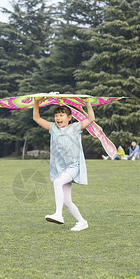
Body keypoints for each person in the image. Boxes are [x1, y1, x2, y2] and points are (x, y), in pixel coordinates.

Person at [33, 97, 94, 231]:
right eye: (56, 116)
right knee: (67, 201)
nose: (58, 118)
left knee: (57, 183)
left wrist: (88, 104)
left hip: (74, 166)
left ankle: (58, 214)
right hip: (61, 168)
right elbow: (36, 118)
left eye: (61, 115)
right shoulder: (53, 128)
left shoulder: (75, 127)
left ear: (69, 117)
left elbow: (90, 119)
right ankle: (82, 222)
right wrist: (36, 102)